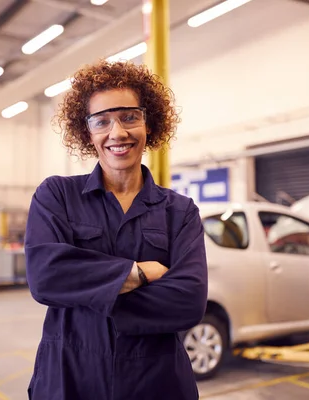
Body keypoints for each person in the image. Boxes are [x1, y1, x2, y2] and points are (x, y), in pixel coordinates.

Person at [24, 59, 208, 400]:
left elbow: (189, 302)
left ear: (149, 123)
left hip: (157, 384)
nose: (117, 132)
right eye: (102, 121)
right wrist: (137, 273)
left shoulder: (179, 211)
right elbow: (45, 277)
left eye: (129, 117)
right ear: (87, 132)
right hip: (70, 380)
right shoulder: (57, 195)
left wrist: (89, 293)